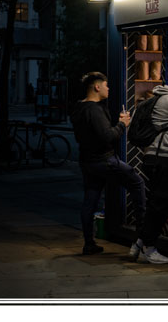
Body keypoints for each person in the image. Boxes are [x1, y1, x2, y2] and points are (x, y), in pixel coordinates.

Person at [70, 72, 146, 255]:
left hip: (87, 161)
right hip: (104, 160)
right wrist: (122, 124)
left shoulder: (79, 107)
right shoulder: (94, 110)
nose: (108, 88)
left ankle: (89, 243)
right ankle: (143, 237)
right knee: (137, 183)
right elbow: (108, 136)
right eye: (106, 85)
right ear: (97, 87)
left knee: (90, 199)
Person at [130, 68, 168, 264]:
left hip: (153, 158)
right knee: (163, 203)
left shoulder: (160, 97)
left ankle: (140, 242)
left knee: (158, 202)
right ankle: (148, 247)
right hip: (162, 159)